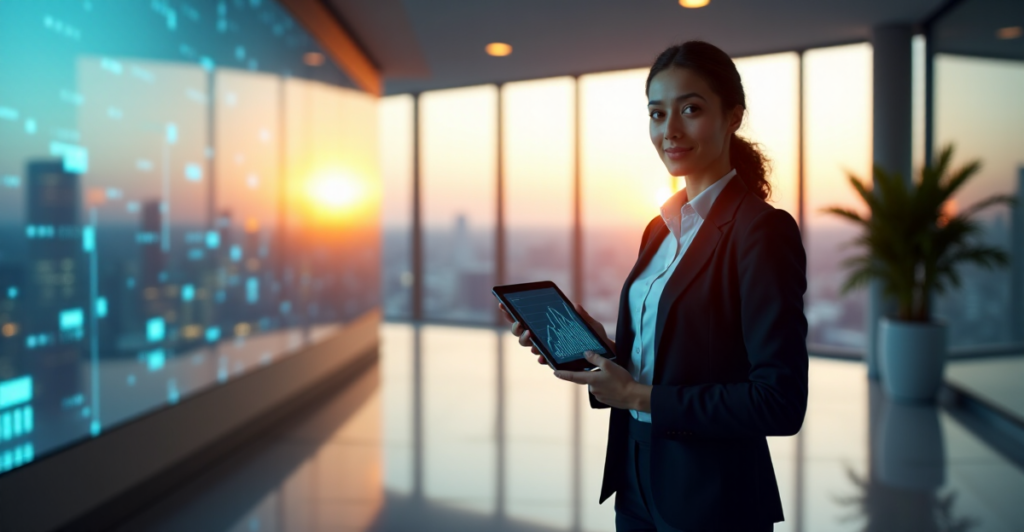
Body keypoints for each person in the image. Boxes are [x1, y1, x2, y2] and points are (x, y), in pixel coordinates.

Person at [501, 41, 808, 531]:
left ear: (733, 116)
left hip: (713, 498)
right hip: (637, 479)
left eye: (691, 109)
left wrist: (638, 396)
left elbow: (778, 402)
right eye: (657, 113)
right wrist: (604, 351)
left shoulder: (761, 231)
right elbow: (677, 355)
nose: (671, 130)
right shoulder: (659, 229)